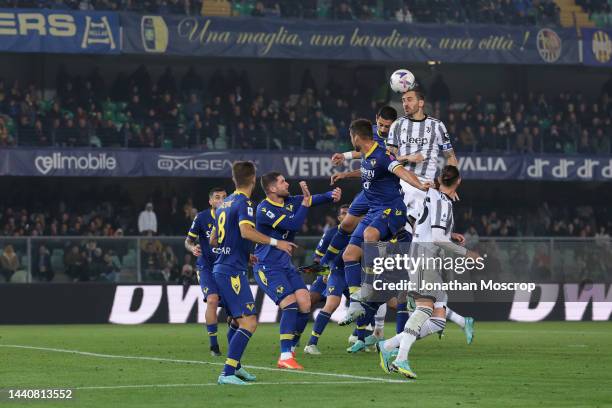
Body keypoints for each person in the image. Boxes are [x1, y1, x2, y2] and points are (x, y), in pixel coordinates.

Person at [377, 166, 478, 379]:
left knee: (438, 320)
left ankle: (387, 345)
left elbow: (425, 227)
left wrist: (451, 235)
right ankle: (401, 358)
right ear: (458, 181)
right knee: (424, 309)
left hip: (424, 256)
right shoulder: (444, 203)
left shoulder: (432, 194)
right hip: (424, 258)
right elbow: (438, 238)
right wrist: (466, 252)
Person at [210, 161, 295, 385]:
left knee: (237, 322)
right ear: (254, 178)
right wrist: (277, 243)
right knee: (249, 322)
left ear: (233, 179)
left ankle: (235, 368)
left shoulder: (224, 203)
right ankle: (227, 373)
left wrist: (242, 254)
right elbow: (246, 232)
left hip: (223, 267)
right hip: (231, 272)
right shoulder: (244, 203)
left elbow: (213, 239)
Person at [253, 172, 341, 369]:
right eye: (282, 181)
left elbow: (311, 200)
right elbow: (293, 223)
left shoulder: (291, 201)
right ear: (272, 189)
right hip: (267, 266)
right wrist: (306, 203)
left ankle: (290, 351)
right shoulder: (264, 209)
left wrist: (331, 194)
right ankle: (285, 355)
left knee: (305, 303)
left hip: (285, 265)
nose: (287, 184)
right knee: (290, 306)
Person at [185, 187, 227, 357]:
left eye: (224, 197)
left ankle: (236, 345)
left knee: (235, 313)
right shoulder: (201, 217)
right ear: (211, 201)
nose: (221, 200)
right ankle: (214, 346)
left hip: (227, 266)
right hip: (206, 267)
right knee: (212, 300)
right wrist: (192, 248)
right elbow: (188, 241)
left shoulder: (233, 216)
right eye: (217, 197)